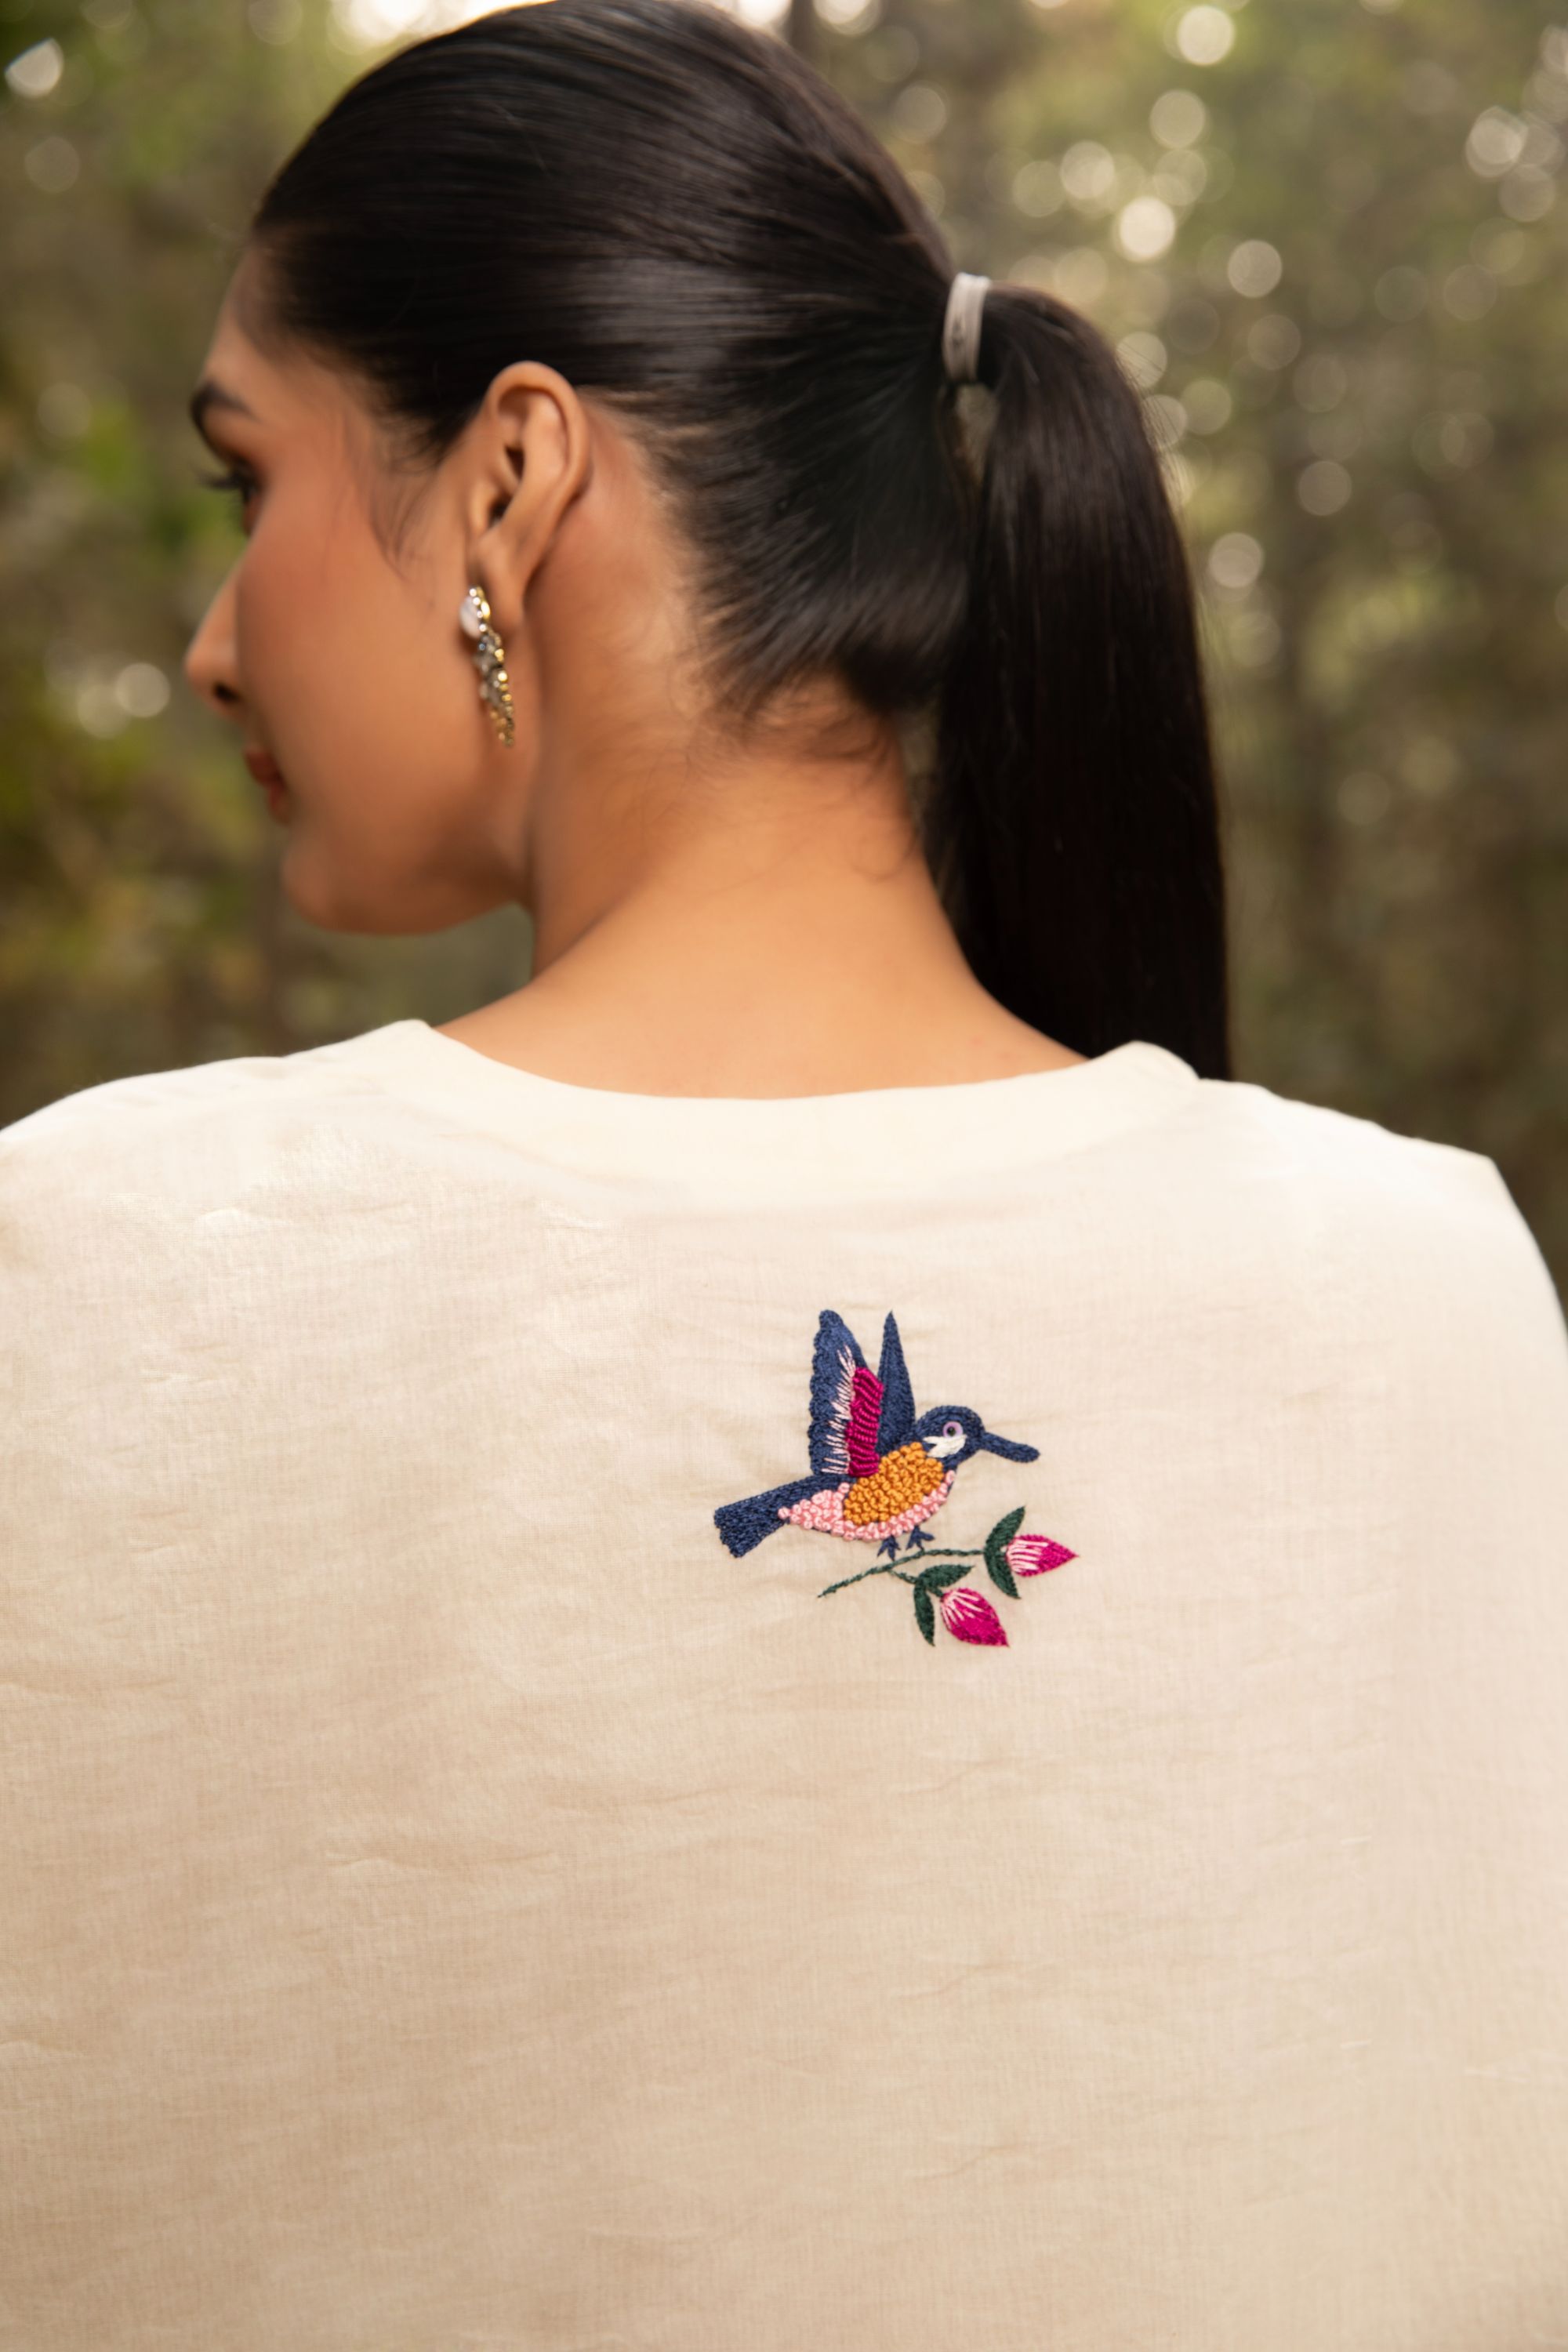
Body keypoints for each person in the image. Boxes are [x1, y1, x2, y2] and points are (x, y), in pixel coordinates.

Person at [2, 2, 1564, 2343]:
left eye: (247, 484)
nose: (215, 643)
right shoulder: (1430, 1295)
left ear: (512, 480)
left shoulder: (87, 1280)